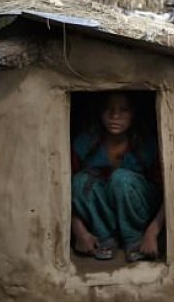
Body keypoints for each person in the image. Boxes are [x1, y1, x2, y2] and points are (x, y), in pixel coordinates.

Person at [70, 92, 164, 262]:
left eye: (124, 110)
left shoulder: (146, 145)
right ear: (99, 112)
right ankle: (104, 237)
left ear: (133, 114)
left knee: (121, 179)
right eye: (108, 109)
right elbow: (59, 189)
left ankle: (133, 239)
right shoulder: (86, 142)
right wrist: (79, 231)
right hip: (101, 216)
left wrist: (152, 232)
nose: (115, 116)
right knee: (79, 181)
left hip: (140, 213)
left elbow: (169, 193)